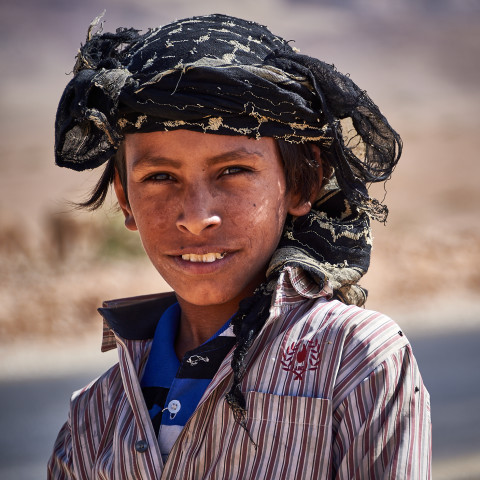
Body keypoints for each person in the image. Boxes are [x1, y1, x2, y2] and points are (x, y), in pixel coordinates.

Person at [48, 13, 431, 479]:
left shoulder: (353, 363)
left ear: (301, 182)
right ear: (126, 199)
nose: (195, 217)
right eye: (161, 177)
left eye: (232, 171)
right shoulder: (93, 417)